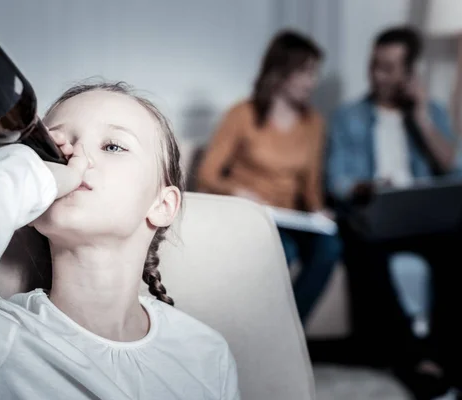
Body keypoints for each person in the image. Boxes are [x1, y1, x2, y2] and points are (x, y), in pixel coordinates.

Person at [0, 82, 240, 400]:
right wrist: (15, 180)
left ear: (162, 204)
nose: (74, 156)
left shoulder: (206, 353)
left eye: (113, 146)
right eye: (55, 146)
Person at [326, 26, 462, 398]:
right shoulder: (349, 116)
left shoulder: (430, 111)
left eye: (388, 68)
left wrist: (420, 116)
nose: (377, 75)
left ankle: (442, 353)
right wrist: (364, 187)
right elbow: (336, 179)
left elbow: (452, 168)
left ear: (409, 73)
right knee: (360, 244)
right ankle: (414, 356)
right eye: (374, 65)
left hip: (424, 218)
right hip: (375, 215)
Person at [196, 31, 341, 325]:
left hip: (290, 217)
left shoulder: (314, 124)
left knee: (330, 246)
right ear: (280, 71)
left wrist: (319, 212)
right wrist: (237, 191)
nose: (311, 82)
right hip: (251, 215)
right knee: (281, 250)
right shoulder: (242, 114)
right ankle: (257, 331)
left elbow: (310, 185)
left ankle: (290, 332)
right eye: (304, 72)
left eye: (314, 73)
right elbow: (207, 174)